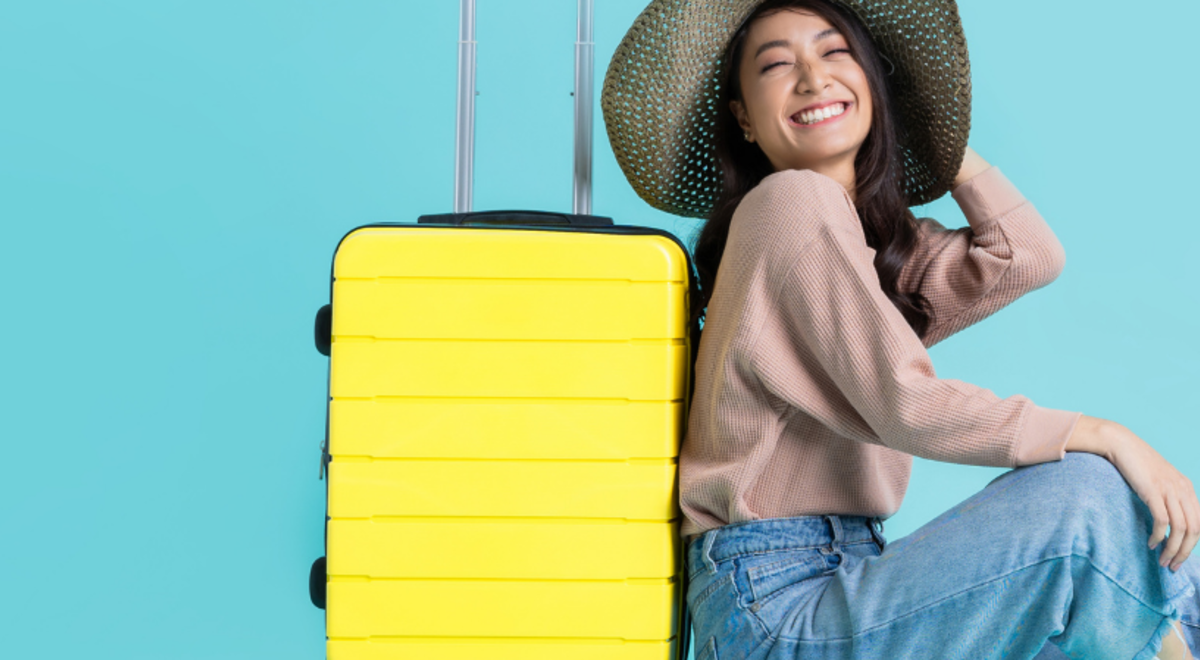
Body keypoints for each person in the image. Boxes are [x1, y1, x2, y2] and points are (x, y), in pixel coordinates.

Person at [599, 0, 1199, 658]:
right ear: (743, 117)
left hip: (846, 580)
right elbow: (904, 402)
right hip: (777, 608)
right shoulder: (788, 203)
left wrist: (927, 126)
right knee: (1088, 494)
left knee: (1154, 547)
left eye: (835, 53)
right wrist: (1105, 435)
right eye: (776, 65)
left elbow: (1027, 255)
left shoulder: (871, 246)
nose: (813, 77)